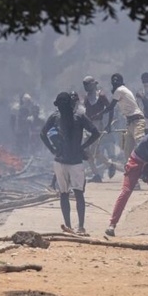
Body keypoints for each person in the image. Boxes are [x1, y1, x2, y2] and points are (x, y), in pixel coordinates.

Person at [40, 92, 100, 234]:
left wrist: (81, 147)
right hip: (62, 161)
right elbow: (42, 133)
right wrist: (53, 150)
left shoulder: (78, 117)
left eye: (62, 105)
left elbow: (95, 132)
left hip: (74, 162)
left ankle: (80, 227)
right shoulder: (57, 116)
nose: (60, 108)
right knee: (65, 193)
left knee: (76, 194)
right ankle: (69, 226)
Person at [97, 73, 146, 163]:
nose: (115, 81)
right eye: (113, 80)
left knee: (141, 143)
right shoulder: (122, 91)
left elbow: (110, 107)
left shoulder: (119, 90)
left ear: (121, 81)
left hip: (137, 121)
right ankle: (131, 169)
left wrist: (99, 114)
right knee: (127, 149)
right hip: (130, 122)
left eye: (117, 80)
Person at [82, 75, 115, 182]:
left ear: (93, 85)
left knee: (94, 152)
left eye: (87, 85)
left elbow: (110, 109)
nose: (86, 87)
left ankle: (109, 165)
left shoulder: (101, 95)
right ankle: (97, 174)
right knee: (86, 151)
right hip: (87, 125)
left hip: (97, 125)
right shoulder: (86, 97)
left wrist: (109, 124)